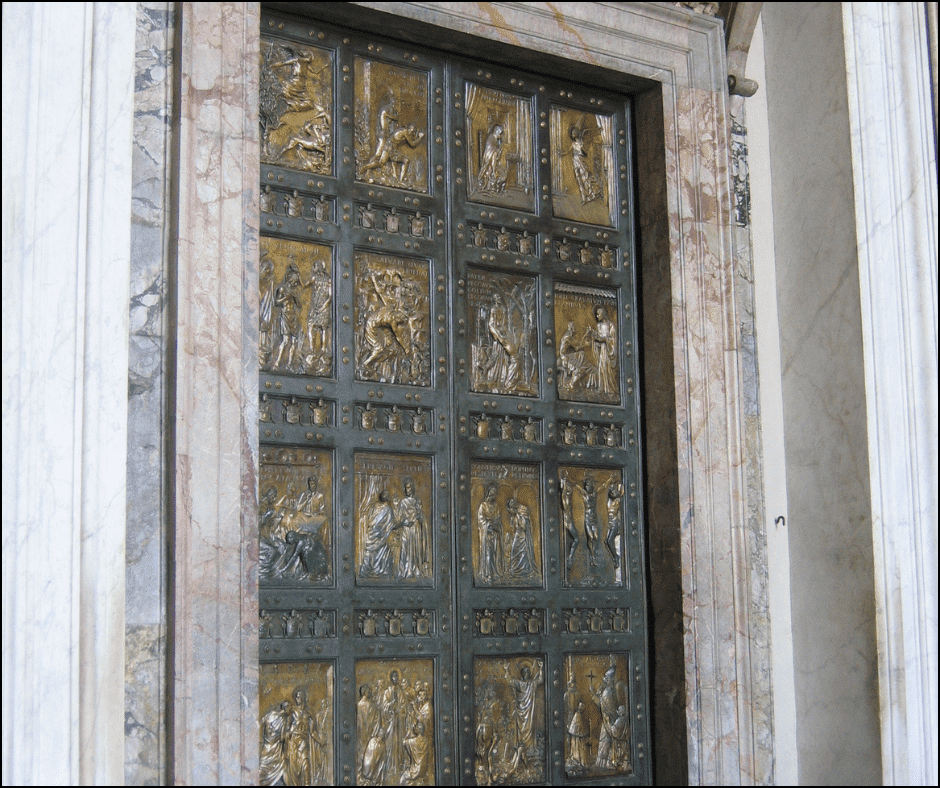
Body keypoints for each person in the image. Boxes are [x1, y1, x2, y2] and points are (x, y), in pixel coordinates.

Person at [506, 661, 543, 771]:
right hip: (520, 713)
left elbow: (540, 680)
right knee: (520, 732)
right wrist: (506, 669)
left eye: (528, 672)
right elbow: (509, 680)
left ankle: (529, 753)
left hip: (529, 713)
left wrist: (541, 668)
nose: (526, 674)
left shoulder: (531, 683)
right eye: (525, 672)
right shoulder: (519, 683)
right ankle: (520, 753)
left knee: (530, 730)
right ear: (522, 674)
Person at [359, 490, 403, 579]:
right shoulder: (388, 509)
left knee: (370, 552)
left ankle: (366, 570)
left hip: (372, 535)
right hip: (380, 536)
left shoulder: (374, 506)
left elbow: (371, 520)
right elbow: (392, 524)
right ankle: (381, 571)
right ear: (387, 499)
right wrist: (402, 523)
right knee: (384, 550)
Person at [396, 478, 429, 579]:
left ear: (413, 488)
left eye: (409, 488)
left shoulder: (416, 501)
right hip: (406, 529)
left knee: (415, 549)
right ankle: (405, 571)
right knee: (405, 549)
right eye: (406, 488)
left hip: (415, 528)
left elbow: (421, 517)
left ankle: (415, 569)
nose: (408, 490)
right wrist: (404, 522)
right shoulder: (403, 502)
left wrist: (419, 510)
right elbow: (399, 518)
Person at [586, 306, 617, 397]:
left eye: (598, 314)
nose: (597, 316)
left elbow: (612, 339)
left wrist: (604, 339)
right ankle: (602, 388)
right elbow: (598, 339)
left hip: (608, 349)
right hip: (602, 350)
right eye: (596, 314)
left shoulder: (610, 325)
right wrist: (593, 334)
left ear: (603, 313)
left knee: (607, 368)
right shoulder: (599, 326)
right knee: (601, 368)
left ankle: (610, 389)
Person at [477, 483, 503, 583]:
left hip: (495, 533)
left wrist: (495, 523)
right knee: (488, 553)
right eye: (492, 494)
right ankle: (488, 574)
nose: (493, 497)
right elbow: (481, 520)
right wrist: (488, 524)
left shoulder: (496, 505)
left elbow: (498, 517)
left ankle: (495, 573)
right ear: (488, 494)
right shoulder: (483, 506)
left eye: (494, 495)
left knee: (495, 553)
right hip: (486, 534)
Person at [260, 700, 291, 786]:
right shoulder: (284, 718)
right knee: (277, 768)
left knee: (264, 766)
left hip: (267, 745)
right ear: (286, 708)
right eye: (289, 708)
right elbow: (283, 737)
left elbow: (261, 723)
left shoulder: (270, 714)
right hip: (276, 748)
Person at [507, 496, 537, 579]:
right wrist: (513, 515)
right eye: (510, 506)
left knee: (524, 553)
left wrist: (516, 514)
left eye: (512, 504)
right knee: (514, 551)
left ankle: (525, 571)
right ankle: (515, 570)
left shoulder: (523, 509)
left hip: (523, 535)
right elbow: (513, 525)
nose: (512, 506)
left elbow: (523, 524)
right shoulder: (515, 511)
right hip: (517, 534)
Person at [477, 123, 505, 193]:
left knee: (496, 171)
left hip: (493, 160)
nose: (500, 136)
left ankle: (491, 186)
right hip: (490, 159)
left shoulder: (494, 139)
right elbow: (491, 151)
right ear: (496, 132)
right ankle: (487, 185)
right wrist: (497, 151)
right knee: (490, 171)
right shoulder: (491, 139)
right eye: (500, 134)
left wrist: (498, 150)